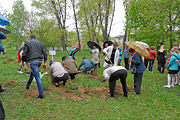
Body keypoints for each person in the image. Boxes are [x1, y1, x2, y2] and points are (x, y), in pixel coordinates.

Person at [22, 34, 47, 99]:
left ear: (30, 38)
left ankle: (41, 94)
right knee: (33, 73)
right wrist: (45, 62)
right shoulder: (41, 43)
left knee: (37, 77)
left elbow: (24, 53)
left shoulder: (27, 42)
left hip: (33, 62)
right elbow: (45, 53)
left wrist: (26, 63)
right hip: (39, 61)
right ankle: (28, 85)